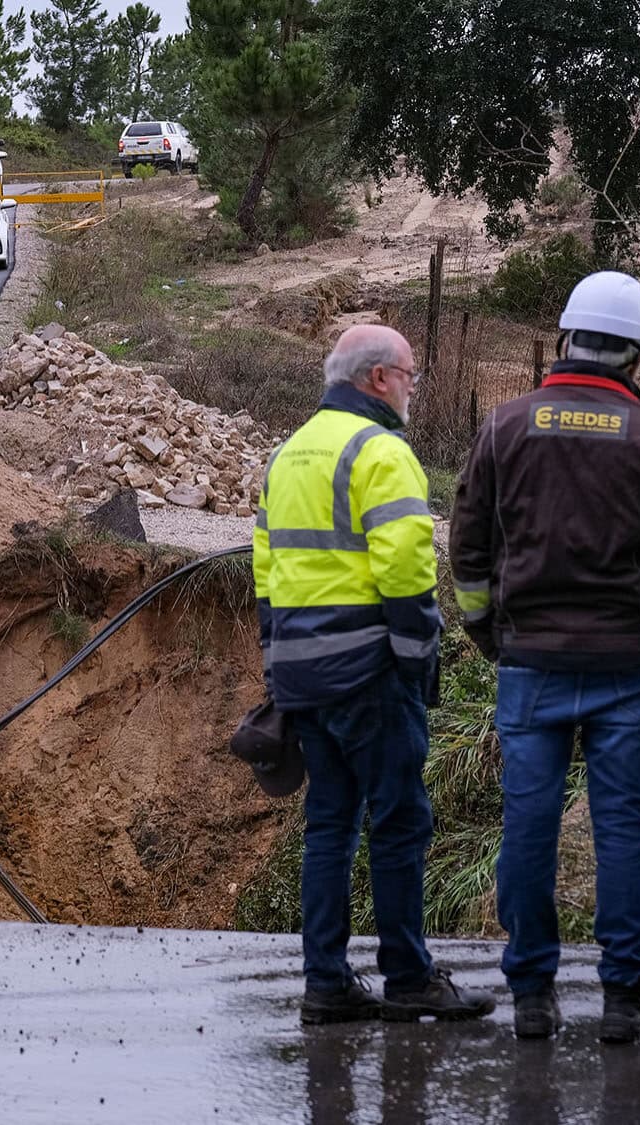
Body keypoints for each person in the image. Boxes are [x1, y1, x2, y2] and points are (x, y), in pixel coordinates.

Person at [450, 271, 640, 1043]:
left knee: (527, 827)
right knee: (623, 830)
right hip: (628, 667)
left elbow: (467, 555)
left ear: (566, 340)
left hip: (530, 663)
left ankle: (532, 995)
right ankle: (625, 1000)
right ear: (636, 353)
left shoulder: (505, 427)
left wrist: (490, 637)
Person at [252, 323, 496, 1026]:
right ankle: (409, 976)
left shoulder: (287, 452)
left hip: (302, 673)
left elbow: (266, 575)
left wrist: (278, 664)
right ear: (379, 377)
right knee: (399, 819)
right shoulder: (382, 451)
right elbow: (407, 574)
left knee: (328, 821)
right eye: (411, 375)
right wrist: (421, 661)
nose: (414, 387)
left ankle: (325, 981)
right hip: (369, 670)